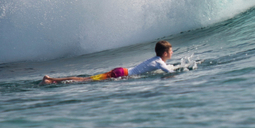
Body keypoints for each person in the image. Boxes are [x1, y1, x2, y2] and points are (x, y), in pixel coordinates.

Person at [41, 40, 174, 85]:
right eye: (171, 50)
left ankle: (51, 80)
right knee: (85, 80)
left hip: (122, 71)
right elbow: (170, 72)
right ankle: (51, 79)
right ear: (165, 54)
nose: (172, 52)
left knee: (86, 79)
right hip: (121, 74)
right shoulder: (159, 63)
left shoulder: (156, 60)